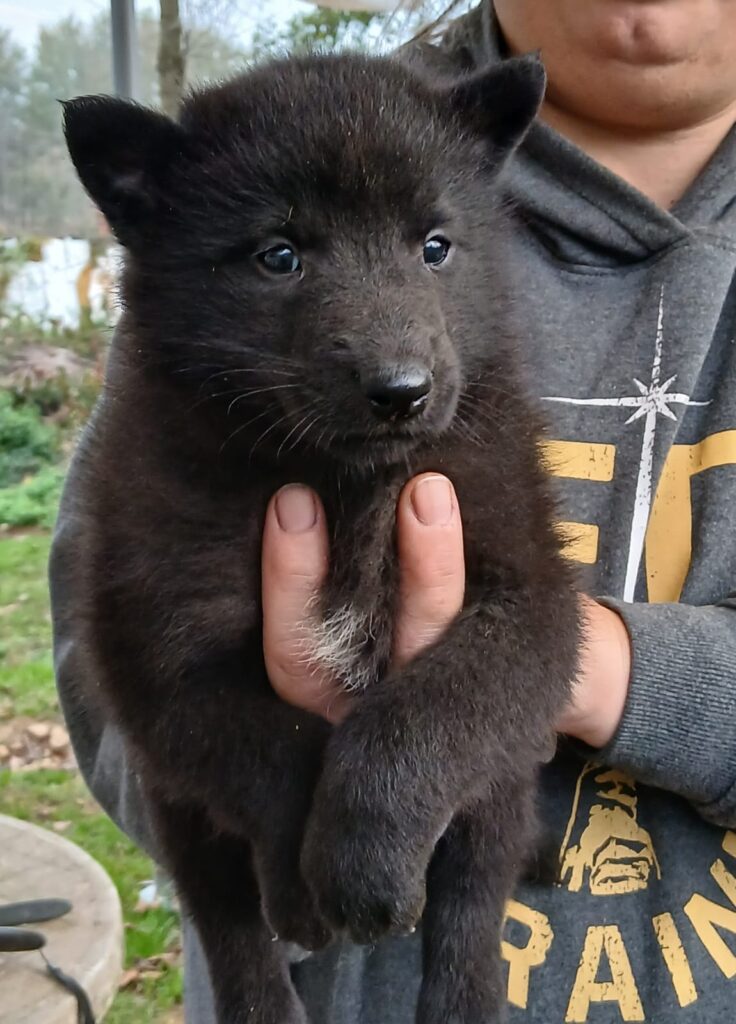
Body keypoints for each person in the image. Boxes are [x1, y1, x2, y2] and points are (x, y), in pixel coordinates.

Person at [50, 1, 736, 1021]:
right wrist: (284, 794)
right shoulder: (207, 327)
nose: (395, 355)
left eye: (429, 246)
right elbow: (121, 682)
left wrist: (602, 677)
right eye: (283, 259)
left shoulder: (442, 203)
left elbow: (525, 632)